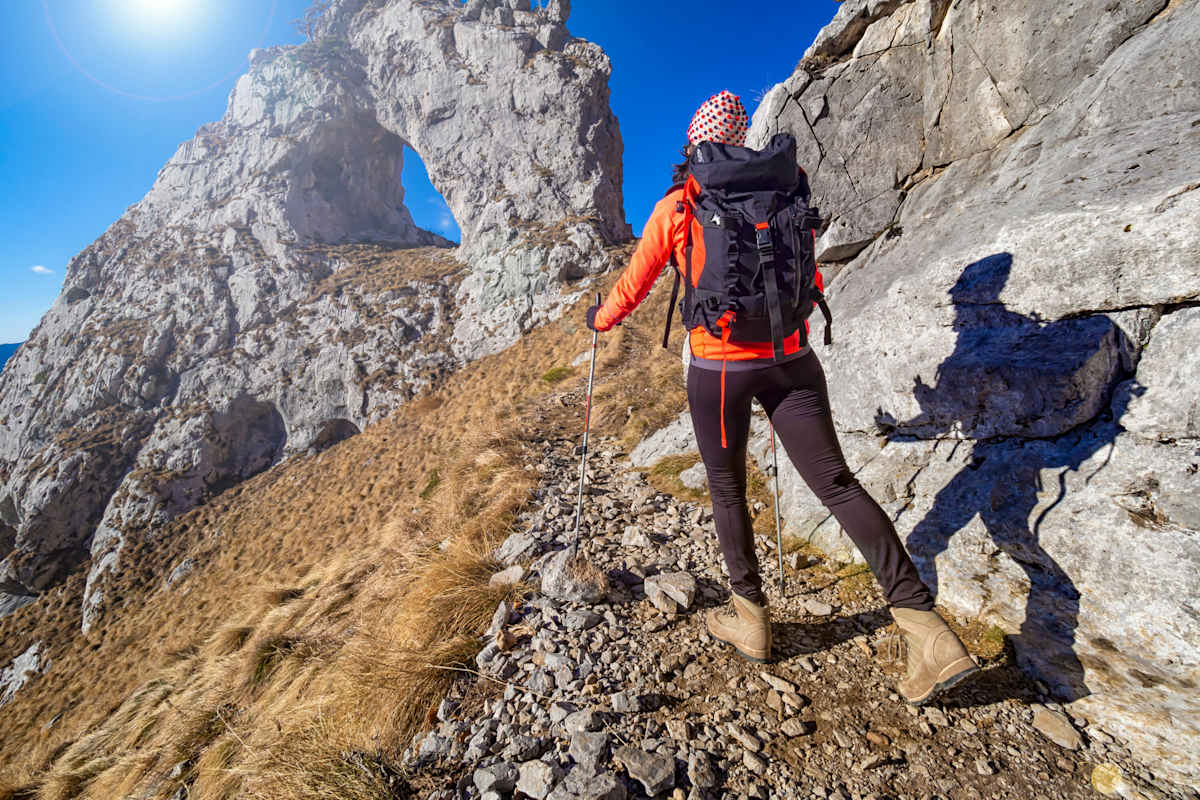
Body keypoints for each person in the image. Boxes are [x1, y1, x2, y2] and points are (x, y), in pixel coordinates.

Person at [585, 90, 979, 704]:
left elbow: (635, 282)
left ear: (697, 141)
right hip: (794, 360)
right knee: (838, 485)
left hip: (719, 370)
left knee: (727, 488)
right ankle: (926, 630)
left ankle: (752, 621)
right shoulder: (787, 188)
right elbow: (810, 275)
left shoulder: (682, 202)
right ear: (744, 136)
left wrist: (600, 319)